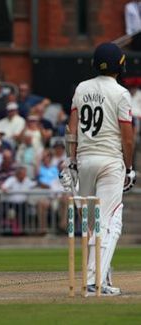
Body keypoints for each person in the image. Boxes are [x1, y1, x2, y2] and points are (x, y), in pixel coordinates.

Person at [60, 43, 135, 296]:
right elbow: (128, 138)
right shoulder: (122, 93)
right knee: (111, 222)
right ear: (120, 65)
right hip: (110, 161)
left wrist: (70, 161)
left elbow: (72, 129)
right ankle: (94, 282)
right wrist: (130, 168)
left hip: (84, 161)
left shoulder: (82, 88)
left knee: (93, 225)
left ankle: (104, 278)